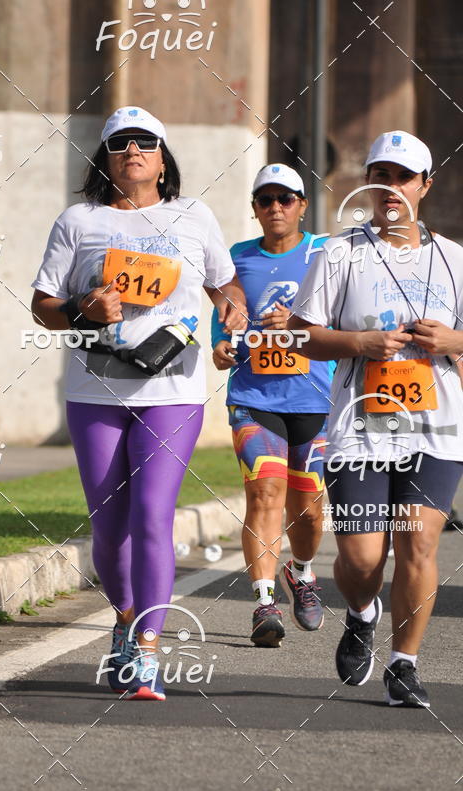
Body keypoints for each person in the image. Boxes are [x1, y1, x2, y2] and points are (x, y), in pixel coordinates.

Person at [31, 106, 246, 701]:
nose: (133, 150)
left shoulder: (192, 215)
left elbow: (225, 283)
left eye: (145, 142)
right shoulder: (79, 221)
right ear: (105, 157)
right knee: (108, 525)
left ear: (162, 155)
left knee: (153, 514)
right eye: (120, 143)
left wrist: (233, 305)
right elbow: (42, 306)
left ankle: (148, 648)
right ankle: (125, 617)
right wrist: (83, 311)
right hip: (94, 388)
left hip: (171, 388)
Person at [290, 130, 463, 707]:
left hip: (434, 427)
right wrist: (358, 341)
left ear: (425, 186)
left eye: (403, 178)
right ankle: (363, 612)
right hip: (359, 428)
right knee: (362, 559)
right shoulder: (339, 253)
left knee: (418, 544)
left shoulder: (455, 259)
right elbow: (300, 333)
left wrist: (453, 337)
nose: (392, 188)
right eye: (381, 176)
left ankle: (404, 665)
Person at [211, 164, 333, 647]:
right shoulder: (235, 259)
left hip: (314, 400)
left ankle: (300, 572)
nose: (276, 207)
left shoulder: (327, 253)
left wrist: (298, 324)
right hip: (253, 398)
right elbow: (225, 326)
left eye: (286, 198)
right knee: (264, 493)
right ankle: (264, 604)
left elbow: (345, 316)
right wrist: (222, 347)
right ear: (255, 208)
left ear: (303, 205)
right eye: (266, 200)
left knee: (309, 511)